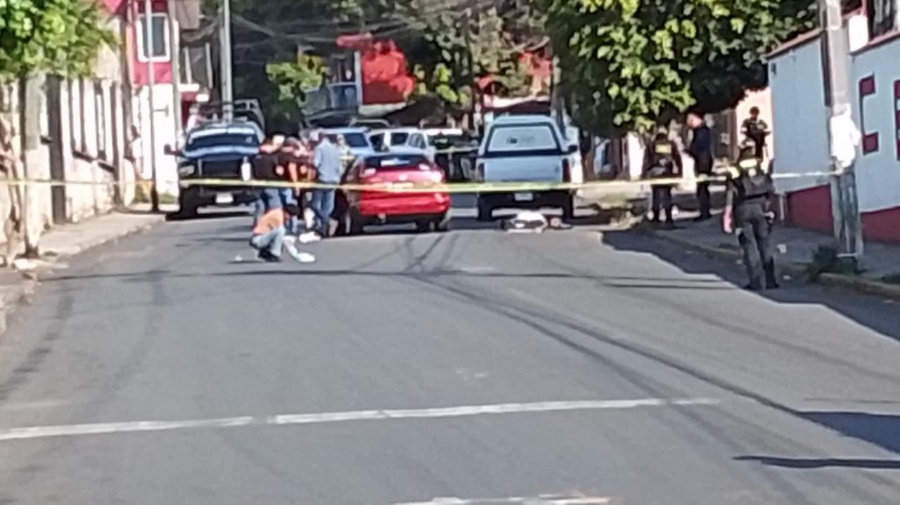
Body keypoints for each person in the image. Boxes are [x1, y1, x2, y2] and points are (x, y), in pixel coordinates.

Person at [723, 140, 778, 291]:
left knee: (749, 246)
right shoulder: (762, 165)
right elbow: (770, 188)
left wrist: (727, 215)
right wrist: (771, 208)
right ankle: (771, 281)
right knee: (765, 244)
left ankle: (755, 282)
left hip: (743, 209)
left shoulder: (734, 169)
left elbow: (730, 193)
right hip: (762, 208)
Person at [301, 131, 344, 241]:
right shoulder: (335, 149)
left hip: (322, 179)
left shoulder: (319, 148)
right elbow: (340, 168)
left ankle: (327, 221)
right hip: (334, 180)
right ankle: (324, 226)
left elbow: (316, 163)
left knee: (315, 204)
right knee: (328, 206)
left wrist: (307, 162)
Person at [643, 129, 683, 228]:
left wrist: (644, 174)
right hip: (667, 171)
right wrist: (680, 172)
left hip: (655, 171)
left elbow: (646, 160)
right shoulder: (670, 144)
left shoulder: (652, 144)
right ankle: (668, 217)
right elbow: (677, 157)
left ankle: (656, 217)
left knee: (656, 194)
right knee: (667, 194)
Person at [686, 111, 713, 221]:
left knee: (702, 188)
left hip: (703, 164)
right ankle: (704, 211)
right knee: (702, 188)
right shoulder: (701, 131)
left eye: (691, 120)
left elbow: (698, 148)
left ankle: (705, 212)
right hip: (702, 162)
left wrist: (689, 150)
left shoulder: (701, 132)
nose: (689, 123)